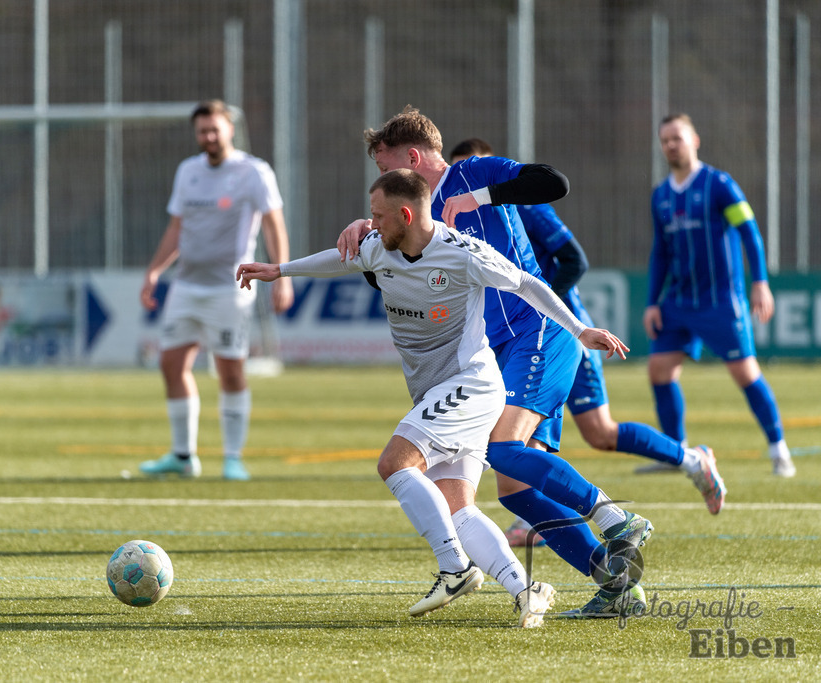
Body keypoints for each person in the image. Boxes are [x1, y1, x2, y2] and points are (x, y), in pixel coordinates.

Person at [239, 169, 632, 626]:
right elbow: (340, 260)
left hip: (472, 384)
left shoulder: (462, 253)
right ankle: (525, 591)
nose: (370, 224)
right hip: (437, 391)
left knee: (394, 463)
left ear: (406, 215)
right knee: (457, 507)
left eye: (378, 216)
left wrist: (579, 330)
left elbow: (526, 283)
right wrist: (279, 270)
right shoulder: (379, 247)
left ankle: (455, 568)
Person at [338, 107, 650, 618]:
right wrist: (364, 229)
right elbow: (389, 269)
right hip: (501, 352)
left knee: (504, 450)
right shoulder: (420, 219)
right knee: (515, 490)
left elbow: (554, 183)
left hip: (539, 331)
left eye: (385, 166)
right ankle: (616, 584)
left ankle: (618, 519)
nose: (383, 179)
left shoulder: (471, 173)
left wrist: (480, 196)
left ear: (412, 158)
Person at [448, 138, 727, 549]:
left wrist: (544, 307)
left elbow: (574, 260)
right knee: (543, 434)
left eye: (473, 169)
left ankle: (688, 463)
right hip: (525, 339)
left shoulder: (523, 204)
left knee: (589, 433)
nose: (464, 181)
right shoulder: (456, 219)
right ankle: (552, 524)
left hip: (560, 331)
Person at [138, 100, 294, 481]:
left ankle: (232, 458)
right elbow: (176, 228)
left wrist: (282, 274)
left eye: (214, 129)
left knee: (230, 371)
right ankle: (182, 456)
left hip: (230, 289)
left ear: (229, 130)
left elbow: (273, 223)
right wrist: (155, 271)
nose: (208, 137)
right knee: (171, 364)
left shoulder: (254, 171)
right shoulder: (188, 171)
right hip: (186, 286)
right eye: (202, 131)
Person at [647, 114, 795, 478]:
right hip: (678, 301)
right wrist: (652, 302)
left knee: (745, 372)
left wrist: (760, 282)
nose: (671, 145)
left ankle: (779, 451)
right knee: (659, 369)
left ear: (695, 140)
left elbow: (749, 232)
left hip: (720, 301)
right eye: (665, 140)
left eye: (677, 138)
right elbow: (660, 252)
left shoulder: (720, 185)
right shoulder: (661, 196)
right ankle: (677, 455)